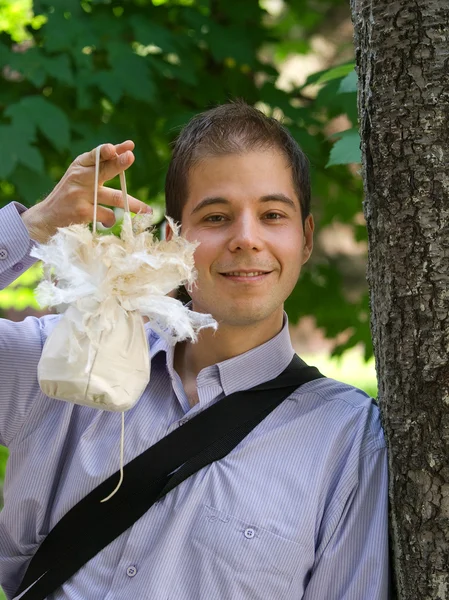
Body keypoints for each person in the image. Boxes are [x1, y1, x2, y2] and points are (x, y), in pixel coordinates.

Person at [0, 102, 389, 599]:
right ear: (172, 240)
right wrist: (31, 229)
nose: (247, 239)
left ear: (305, 239)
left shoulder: (350, 442)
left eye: (272, 215)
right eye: (216, 216)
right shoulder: (65, 355)